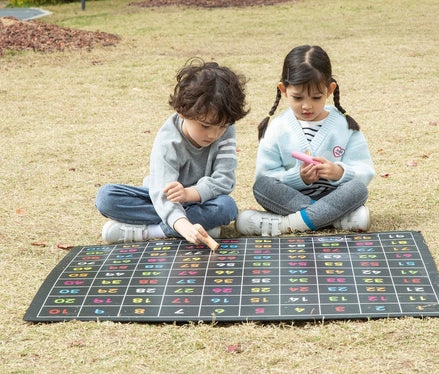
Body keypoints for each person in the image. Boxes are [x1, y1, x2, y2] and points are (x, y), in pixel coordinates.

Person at [95, 58, 249, 245]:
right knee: (106, 197)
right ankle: (189, 225)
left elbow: (225, 180)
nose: (214, 134)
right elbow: (161, 193)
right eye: (205, 126)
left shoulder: (225, 128)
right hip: (161, 199)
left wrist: (189, 194)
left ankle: (152, 230)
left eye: (222, 127)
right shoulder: (168, 141)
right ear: (181, 111)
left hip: (201, 200)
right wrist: (184, 226)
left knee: (227, 207)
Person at [235, 45, 375, 237]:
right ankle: (335, 220)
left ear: (329, 90)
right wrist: (297, 177)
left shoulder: (345, 125)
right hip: (290, 199)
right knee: (262, 187)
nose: (307, 106)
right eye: (297, 97)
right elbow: (265, 176)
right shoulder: (278, 127)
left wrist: (339, 172)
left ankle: (285, 224)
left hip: (335, 197)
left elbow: (365, 170)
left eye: (316, 97)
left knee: (358, 189)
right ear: (283, 90)